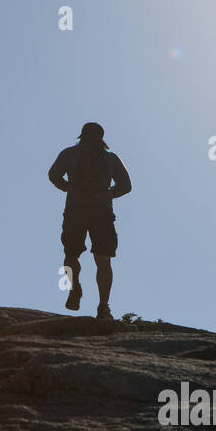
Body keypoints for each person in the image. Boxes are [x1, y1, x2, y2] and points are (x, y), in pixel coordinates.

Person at [47, 122, 132, 320]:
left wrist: (69, 188)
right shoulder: (110, 157)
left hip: (76, 209)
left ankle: (75, 289)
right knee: (103, 259)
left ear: (82, 136)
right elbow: (126, 185)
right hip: (101, 211)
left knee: (71, 255)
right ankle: (103, 306)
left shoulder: (69, 153)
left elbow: (53, 175)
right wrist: (108, 195)